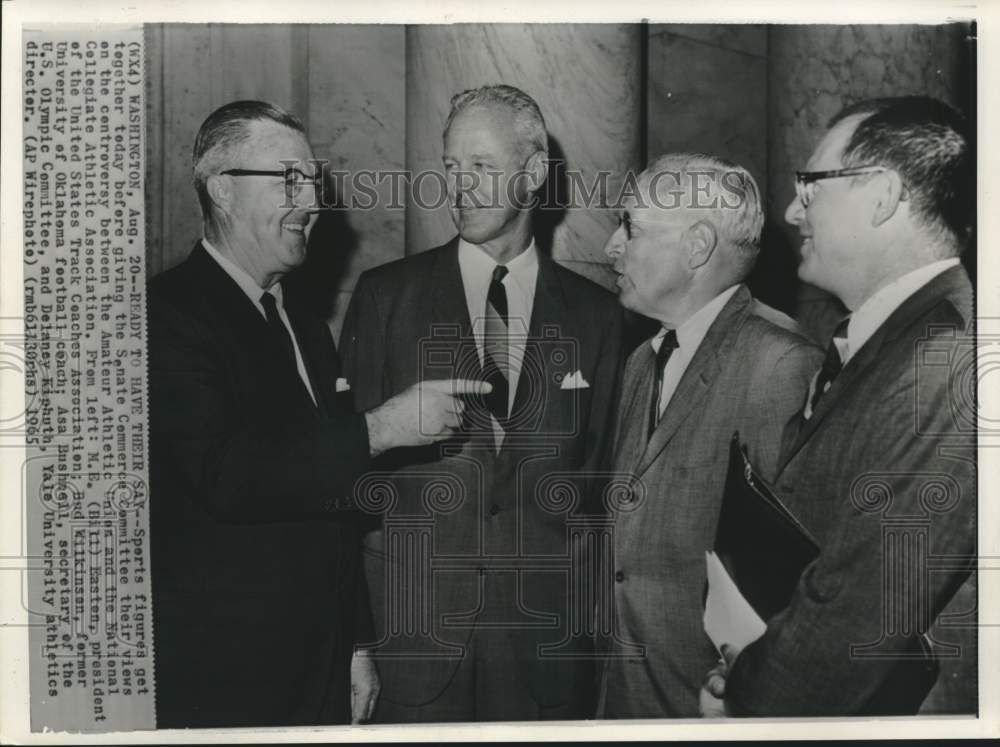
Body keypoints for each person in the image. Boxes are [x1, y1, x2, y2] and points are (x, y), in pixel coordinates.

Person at [148, 100, 489, 728]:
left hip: (320, 660)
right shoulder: (164, 315)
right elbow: (225, 475)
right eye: (290, 180)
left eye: (314, 182)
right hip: (226, 673)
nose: (312, 202)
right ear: (222, 189)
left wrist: (357, 643)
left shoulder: (305, 325)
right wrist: (382, 428)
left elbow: (333, 503)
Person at [339, 84, 625, 722]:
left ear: (532, 174)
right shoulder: (386, 298)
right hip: (412, 645)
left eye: (482, 167)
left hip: (548, 652)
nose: (459, 186)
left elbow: (600, 486)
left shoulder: (597, 316)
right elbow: (348, 483)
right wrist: (355, 641)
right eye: (450, 167)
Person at [703, 96, 976, 716]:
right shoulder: (893, 339)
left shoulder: (945, 362)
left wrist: (744, 696)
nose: (790, 209)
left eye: (811, 186)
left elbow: (859, 617)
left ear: (881, 195)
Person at [595, 153, 823, 718]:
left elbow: (795, 584)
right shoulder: (642, 362)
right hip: (626, 696)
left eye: (629, 226)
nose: (610, 247)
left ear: (696, 247)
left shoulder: (781, 365)